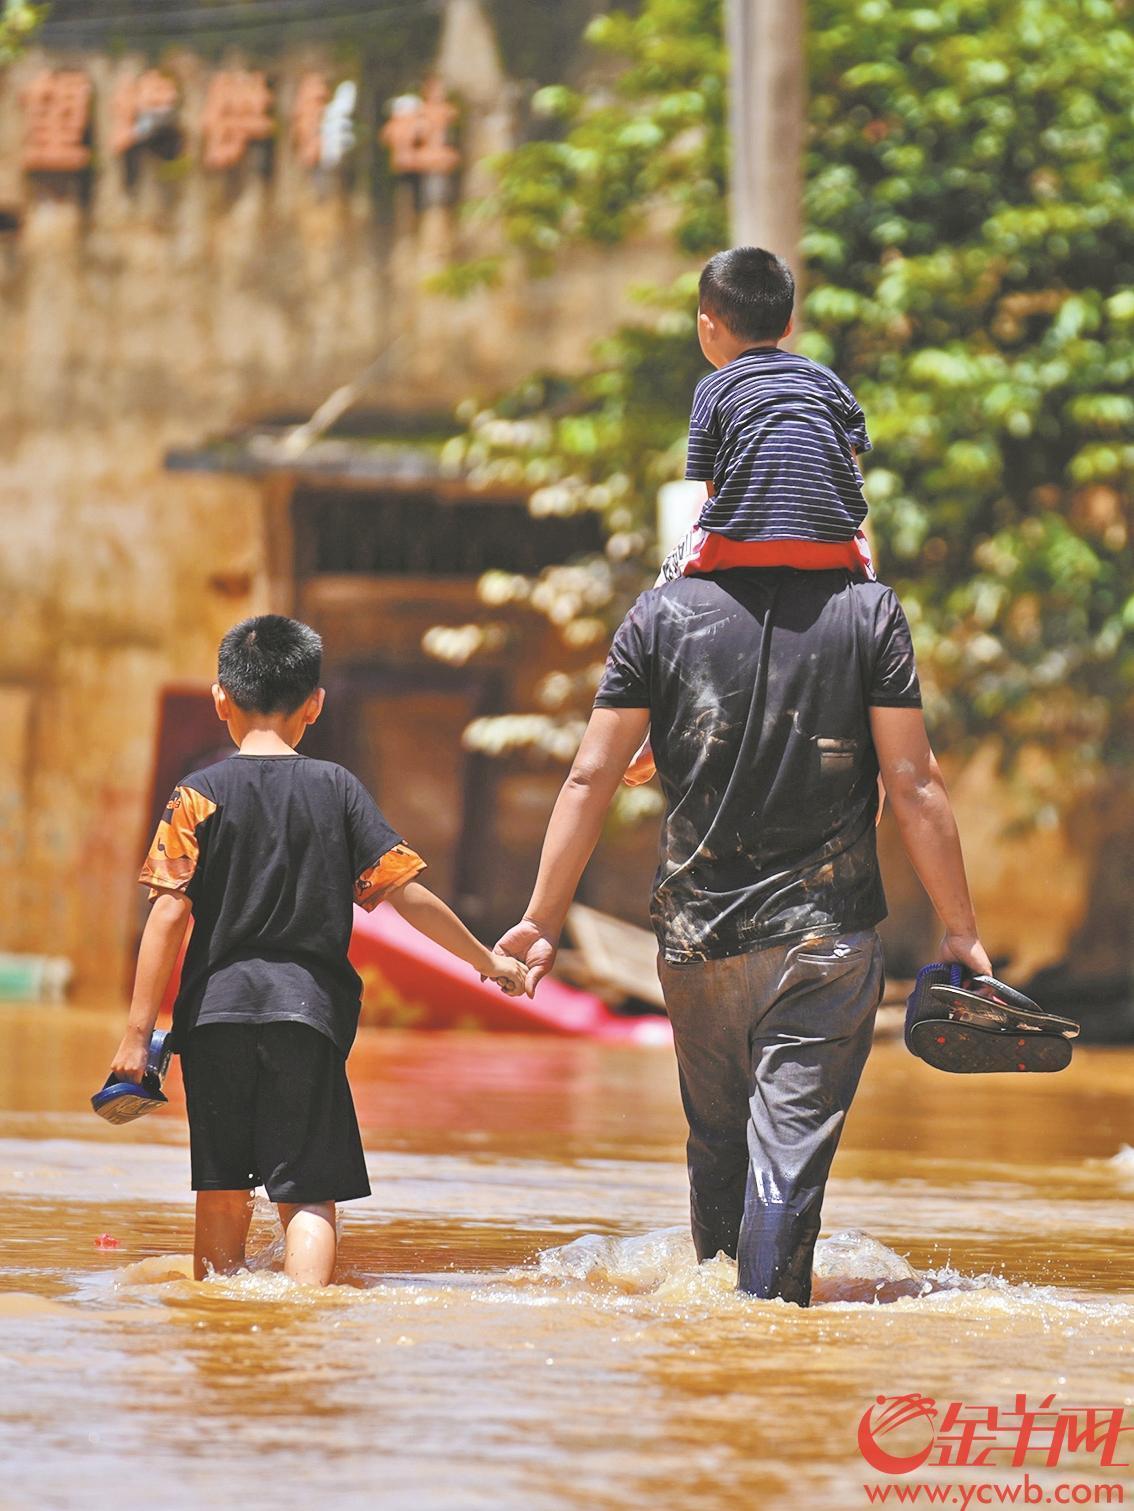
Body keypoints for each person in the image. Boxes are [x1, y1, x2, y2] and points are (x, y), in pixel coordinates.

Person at [496, 569, 992, 1305]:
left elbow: (594, 773)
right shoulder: (866, 611)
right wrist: (960, 928)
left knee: (719, 1146)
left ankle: (718, 1344)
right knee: (787, 1161)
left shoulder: (660, 613)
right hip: (825, 937)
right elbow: (913, 781)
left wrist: (540, 918)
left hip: (697, 942)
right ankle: (763, 1335)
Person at [108, 614, 526, 1287]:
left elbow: (167, 915)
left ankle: (220, 1330)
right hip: (308, 1018)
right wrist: (489, 961)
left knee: (220, 1187)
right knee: (305, 1192)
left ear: (222, 698)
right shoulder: (338, 790)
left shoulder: (196, 797)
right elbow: (407, 894)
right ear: (315, 704)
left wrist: (136, 1036)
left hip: (212, 1022)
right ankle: (303, 1330)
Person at [627, 245, 875, 786]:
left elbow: (716, 492)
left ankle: (651, 728)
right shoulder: (831, 383)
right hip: (835, 550)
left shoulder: (712, 389)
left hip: (740, 547)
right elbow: (850, 477)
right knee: (877, 611)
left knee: (661, 593)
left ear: (705, 325)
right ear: (788, 324)